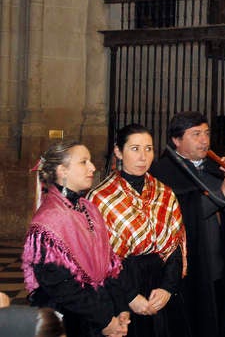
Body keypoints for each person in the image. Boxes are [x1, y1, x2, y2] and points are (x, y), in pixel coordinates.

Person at [149, 112, 225, 337]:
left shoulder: (212, 167)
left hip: (217, 266)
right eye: (196, 134)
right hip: (188, 270)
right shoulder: (163, 171)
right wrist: (221, 192)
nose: (204, 140)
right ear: (176, 140)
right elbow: (182, 215)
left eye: (206, 133)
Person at [88, 124, 188, 337]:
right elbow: (100, 257)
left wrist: (167, 288)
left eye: (149, 149)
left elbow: (175, 246)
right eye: (135, 149)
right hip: (120, 288)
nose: (143, 157)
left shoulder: (165, 194)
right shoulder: (100, 198)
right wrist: (131, 296)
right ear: (118, 152)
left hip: (159, 287)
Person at [21, 141, 130, 337]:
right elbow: (59, 285)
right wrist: (104, 319)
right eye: (84, 162)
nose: (93, 167)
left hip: (100, 311)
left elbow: (109, 264)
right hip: (71, 320)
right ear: (63, 171)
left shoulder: (89, 209)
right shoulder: (48, 220)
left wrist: (120, 307)